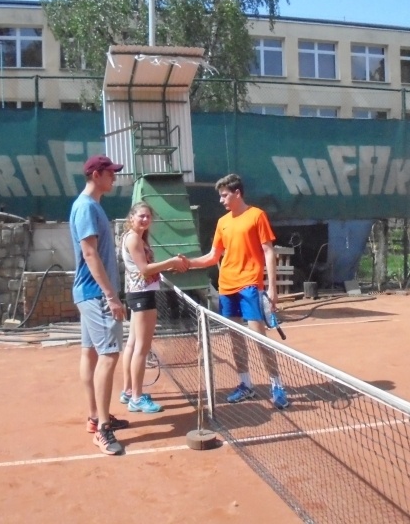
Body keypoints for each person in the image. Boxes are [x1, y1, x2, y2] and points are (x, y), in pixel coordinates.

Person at [183, 173, 289, 409]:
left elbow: (268, 251)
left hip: (250, 284)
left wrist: (272, 288)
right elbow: (213, 257)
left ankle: (277, 385)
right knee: (235, 340)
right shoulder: (223, 222)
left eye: (224, 195)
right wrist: (188, 263)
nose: (221, 200)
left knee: (259, 338)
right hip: (226, 286)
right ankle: (246, 385)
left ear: (237, 193)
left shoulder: (257, 216)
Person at [69, 154, 128, 456]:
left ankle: (96, 417)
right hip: (96, 294)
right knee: (109, 355)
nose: (114, 177)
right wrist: (111, 296)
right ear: (96, 175)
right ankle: (103, 428)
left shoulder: (91, 206)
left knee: (90, 352)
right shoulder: (87, 207)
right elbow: (90, 254)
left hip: (90, 293)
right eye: (110, 173)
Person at [118, 201, 188, 413]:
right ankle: (136, 399)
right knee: (141, 347)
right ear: (132, 217)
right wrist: (171, 262)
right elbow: (144, 269)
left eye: (148, 216)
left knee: (133, 344)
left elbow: (145, 269)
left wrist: (168, 266)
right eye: (141, 216)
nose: (145, 219)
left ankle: (128, 391)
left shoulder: (135, 237)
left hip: (138, 293)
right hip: (141, 295)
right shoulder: (133, 239)